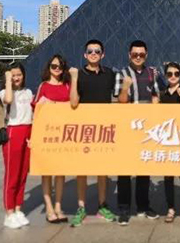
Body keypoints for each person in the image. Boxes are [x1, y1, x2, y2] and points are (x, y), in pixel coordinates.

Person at [69, 39, 117, 227]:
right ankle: (81, 207)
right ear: (85, 54)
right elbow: (73, 102)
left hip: (104, 129)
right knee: (81, 171)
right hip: (85, 129)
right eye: (90, 51)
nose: (94, 54)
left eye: (97, 51)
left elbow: (117, 99)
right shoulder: (79, 75)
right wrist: (74, 79)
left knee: (102, 170)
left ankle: (102, 205)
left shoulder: (110, 74)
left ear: (103, 54)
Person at [115, 40, 160, 226]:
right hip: (127, 127)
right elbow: (119, 101)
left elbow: (155, 95)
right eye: (135, 54)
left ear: (146, 55)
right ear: (129, 55)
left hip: (146, 128)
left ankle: (143, 205)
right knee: (124, 170)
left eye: (141, 54)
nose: (138, 57)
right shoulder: (122, 74)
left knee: (144, 168)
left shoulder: (151, 73)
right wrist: (125, 87)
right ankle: (124, 208)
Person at [33, 54, 72, 224]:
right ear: (48, 67)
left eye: (60, 66)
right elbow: (36, 110)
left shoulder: (67, 85)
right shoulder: (43, 86)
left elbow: (73, 105)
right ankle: (49, 207)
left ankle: (58, 206)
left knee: (60, 172)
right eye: (54, 66)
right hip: (46, 134)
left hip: (63, 134)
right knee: (47, 172)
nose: (57, 69)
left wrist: (53, 104)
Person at [0, 63, 32, 229]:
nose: (17, 78)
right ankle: (9, 212)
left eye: (19, 75)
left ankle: (18, 209)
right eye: (13, 75)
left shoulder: (28, 92)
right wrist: (8, 81)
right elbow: (9, 100)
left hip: (28, 132)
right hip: (13, 133)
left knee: (23, 174)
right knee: (12, 174)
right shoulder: (4, 92)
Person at [159, 62, 180, 223]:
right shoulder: (162, 93)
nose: (173, 76)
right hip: (167, 138)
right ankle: (170, 208)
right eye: (170, 74)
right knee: (168, 176)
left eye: (176, 73)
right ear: (165, 75)